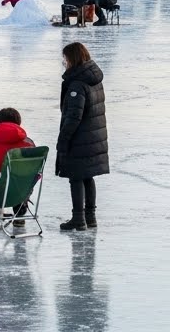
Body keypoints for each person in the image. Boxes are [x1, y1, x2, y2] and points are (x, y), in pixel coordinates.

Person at [57, 42, 109, 231]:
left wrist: (63, 140)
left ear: (73, 59)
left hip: (80, 138)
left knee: (76, 177)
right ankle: (91, 217)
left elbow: (73, 117)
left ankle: (78, 219)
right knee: (88, 176)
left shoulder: (77, 84)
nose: (64, 62)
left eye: (65, 58)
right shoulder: (93, 79)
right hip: (94, 136)